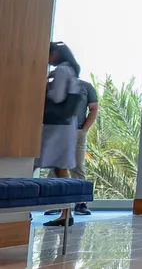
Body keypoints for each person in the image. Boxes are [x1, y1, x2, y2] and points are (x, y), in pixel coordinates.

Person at [39, 42, 82, 228]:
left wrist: (46, 84)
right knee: (60, 168)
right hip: (65, 126)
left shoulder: (62, 71)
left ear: (55, 53)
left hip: (56, 127)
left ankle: (21, 213)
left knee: (37, 162)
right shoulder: (71, 70)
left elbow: (57, 97)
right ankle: (66, 213)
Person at [45, 76, 98, 218]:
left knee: (77, 165)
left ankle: (80, 203)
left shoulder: (86, 87)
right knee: (55, 167)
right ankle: (55, 204)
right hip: (56, 131)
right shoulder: (51, 86)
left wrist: (84, 129)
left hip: (78, 131)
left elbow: (94, 108)